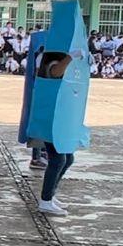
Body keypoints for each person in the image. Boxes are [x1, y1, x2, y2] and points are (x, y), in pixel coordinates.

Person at [36, 51, 77, 216]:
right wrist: (70, 57)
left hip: (60, 119)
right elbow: (55, 72)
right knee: (58, 159)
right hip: (51, 119)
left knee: (67, 158)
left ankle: (50, 195)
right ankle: (45, 201)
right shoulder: (51, 61)